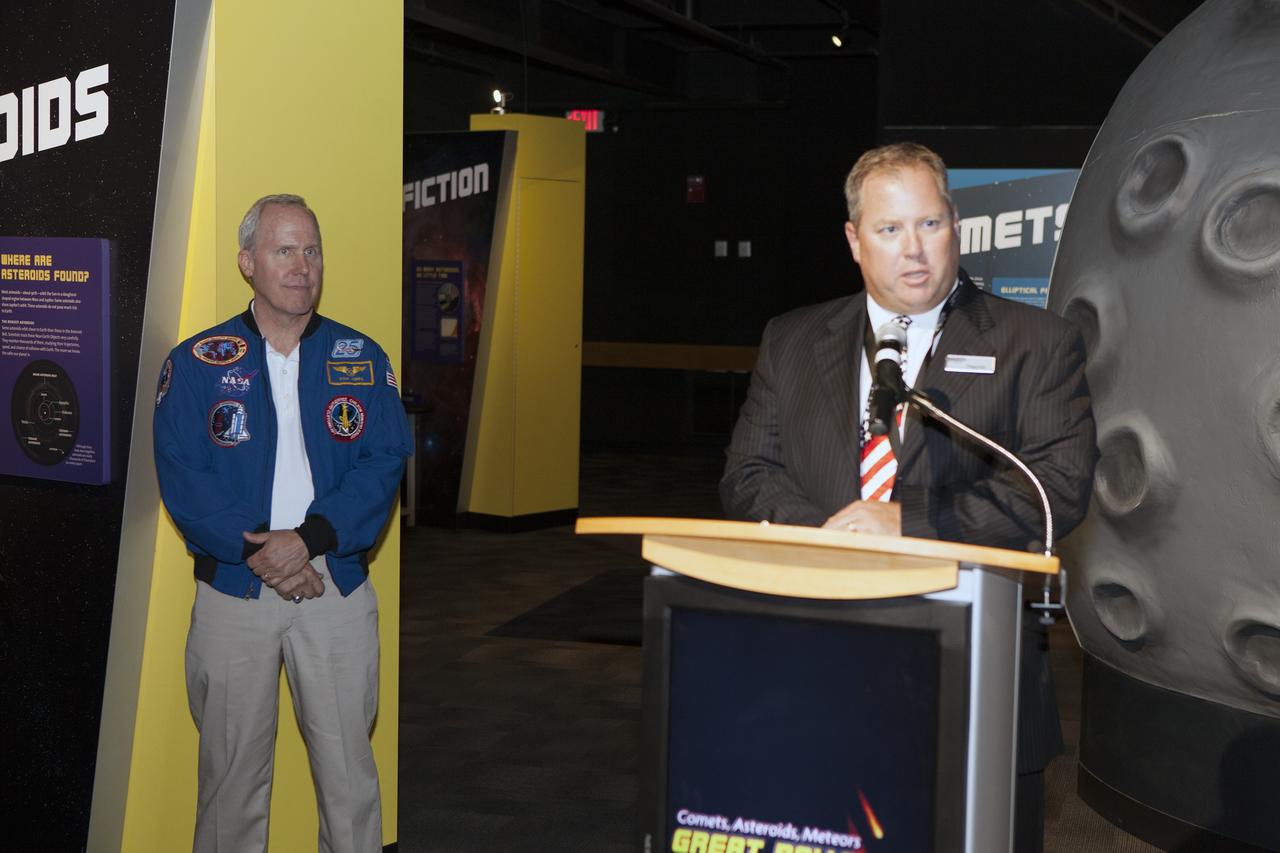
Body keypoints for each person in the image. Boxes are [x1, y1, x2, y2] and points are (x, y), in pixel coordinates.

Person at [720, 143, 1097, 852]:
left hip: (974, 677)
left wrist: (906, 521)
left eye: (930, 224)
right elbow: (749, 474)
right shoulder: (792, 339)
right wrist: (836, 534)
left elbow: (1057, 485)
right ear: (854, 241)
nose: (914, 251)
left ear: (956, 223)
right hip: (817, 667)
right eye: (890, 230)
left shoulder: (1035, 343)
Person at [153, 193, 413, 853]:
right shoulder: (194, 364)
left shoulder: (362, 357)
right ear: (247, 262)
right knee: (230, 784)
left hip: (334, 586)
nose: (303, 266)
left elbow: (384, 463)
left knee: (349, 782)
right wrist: (267, 549)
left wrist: (311, 541)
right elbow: (183, 474)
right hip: (235, 591)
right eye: (284, 250)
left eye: (312, 250)